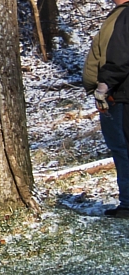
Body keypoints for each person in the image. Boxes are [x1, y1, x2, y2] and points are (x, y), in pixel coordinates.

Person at [84, 0, 129, 217]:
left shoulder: (124, 15)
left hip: (120, 95)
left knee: (123, 149)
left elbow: (119, 57)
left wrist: (103, 87)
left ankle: (128, 204)